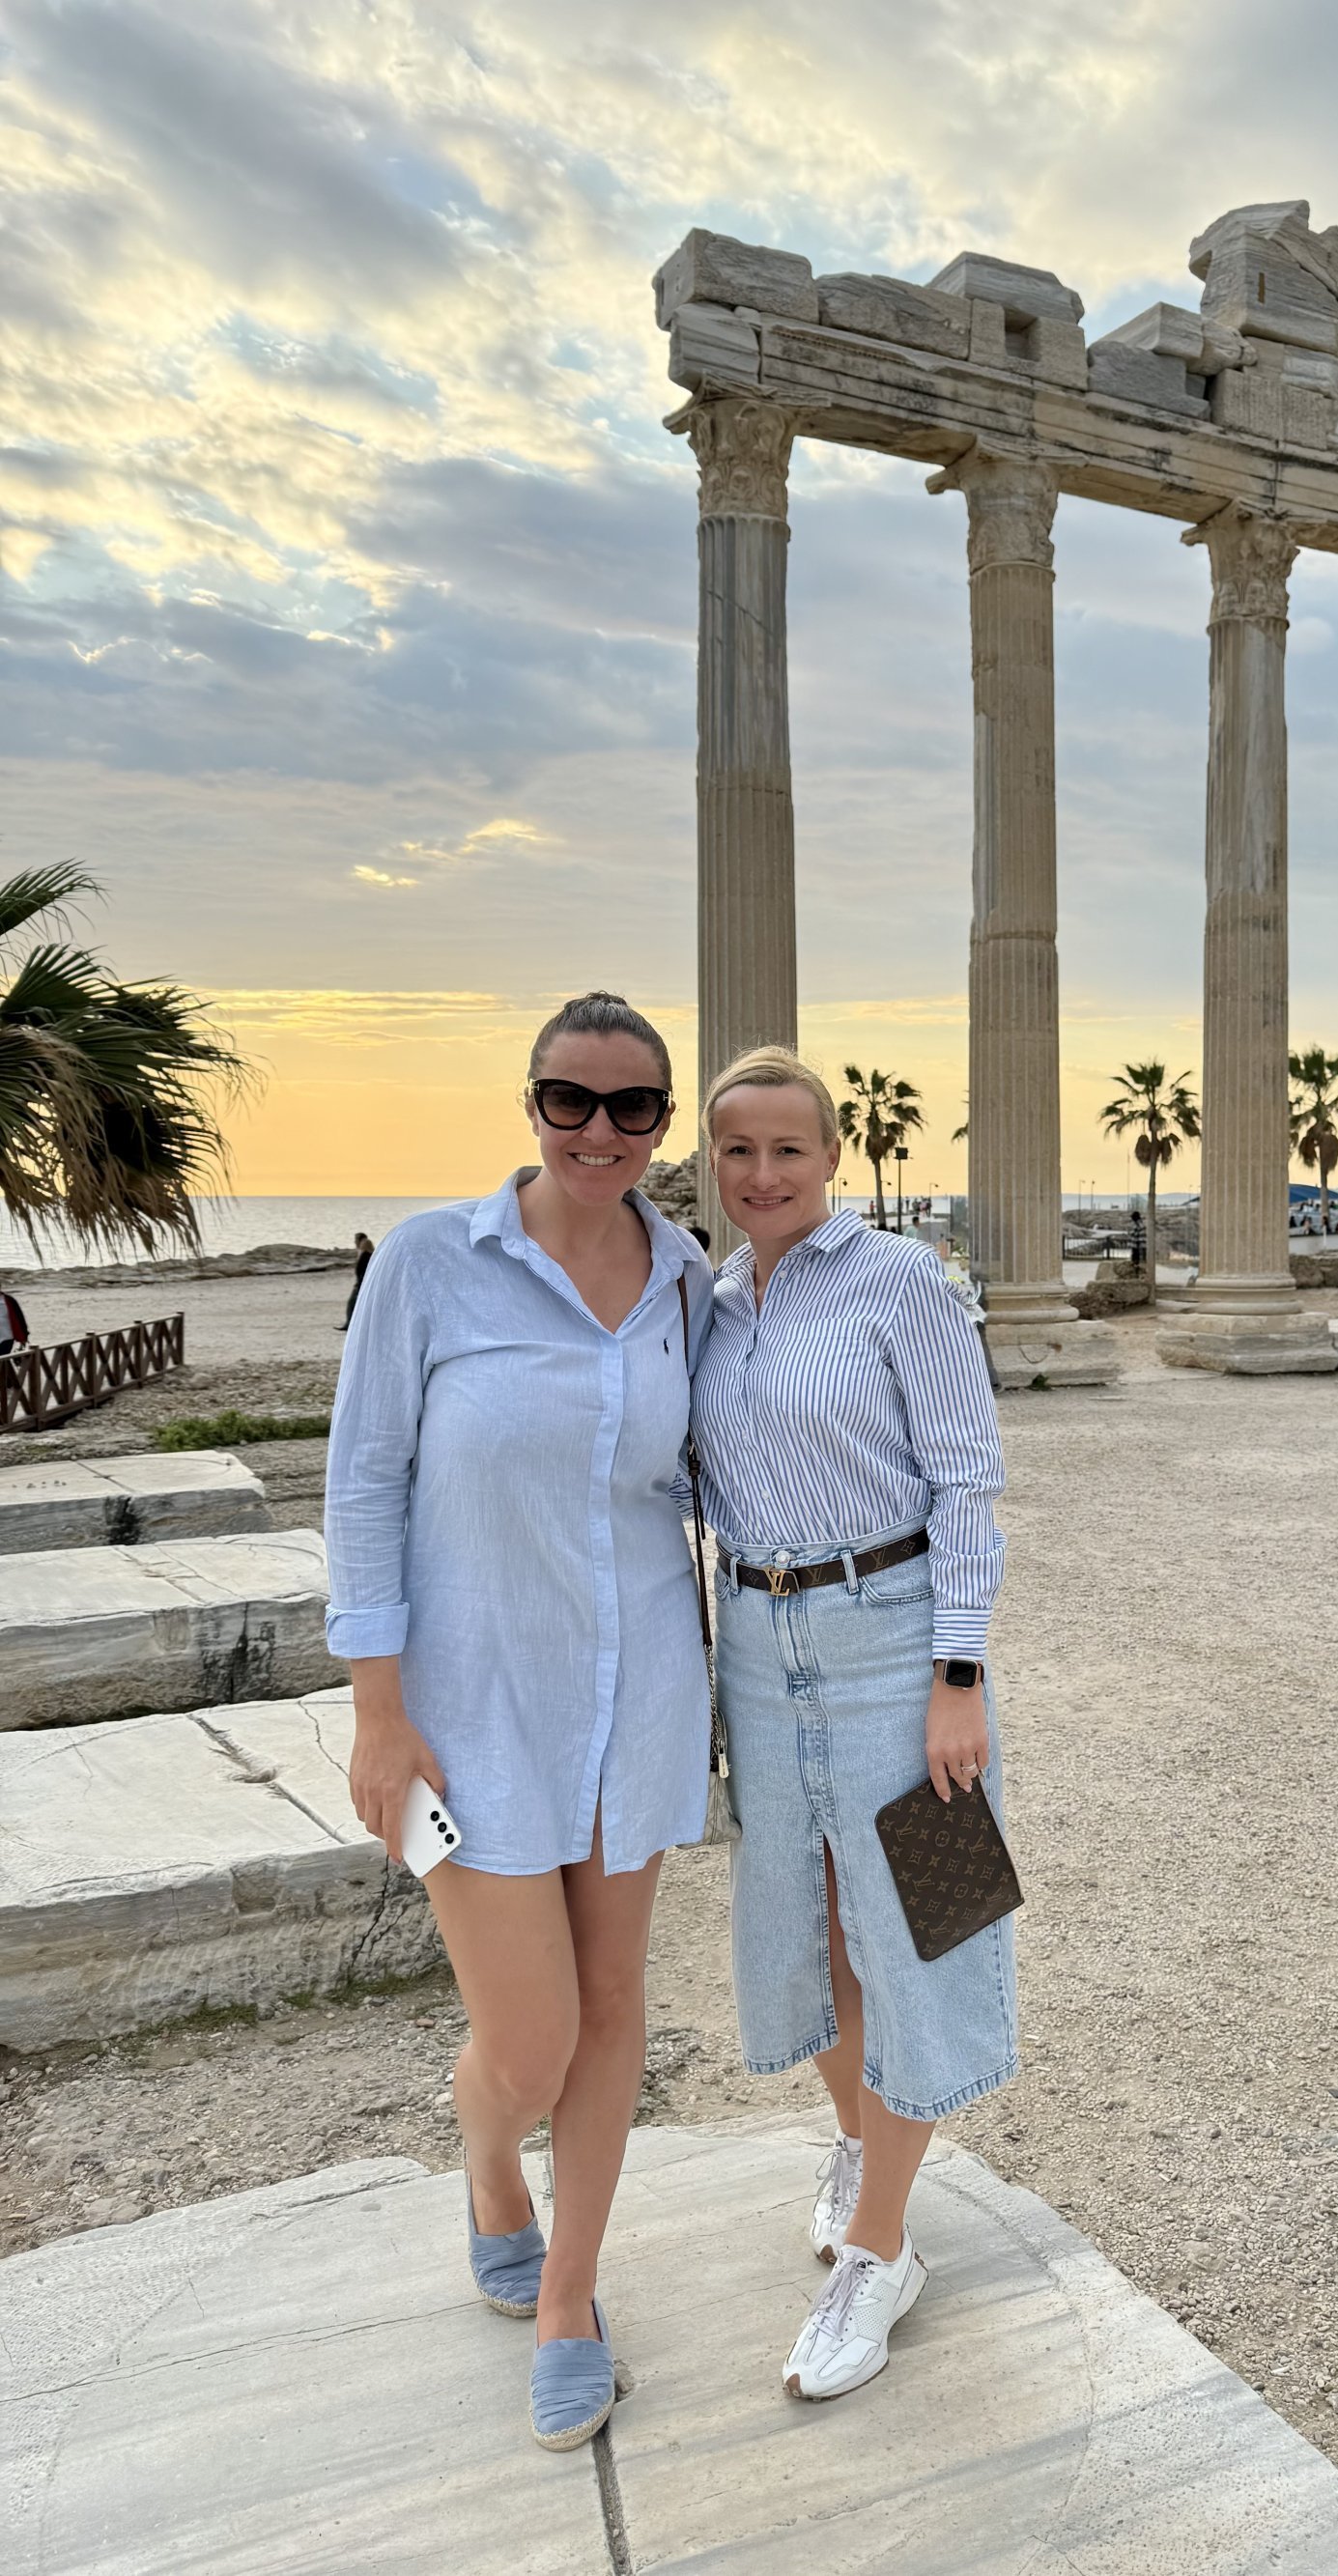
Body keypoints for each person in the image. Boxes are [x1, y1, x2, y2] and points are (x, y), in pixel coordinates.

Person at [325, 991, 711, 2451]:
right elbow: (363, 1480)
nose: (599, 1130)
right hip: (473, 1705)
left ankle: (567, 2294)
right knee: (530, 2039)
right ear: (532, 1103)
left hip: (640, 1692)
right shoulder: (433, 1262)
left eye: (632, 1106)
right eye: (570, 1100)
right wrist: (377, 1710)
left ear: (661, 1123)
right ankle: (490, 2160)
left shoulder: (687, 1280)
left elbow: (718, 1473)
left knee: (612, 2008)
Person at [693, 1045, 1014, 2402]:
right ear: (710, 1162)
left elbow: (967, 1479)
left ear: (833, 1156)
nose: (763, 1174)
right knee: (806, 1919)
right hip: (758, 1640)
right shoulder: (710, 1303)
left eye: (789, 1148)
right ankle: (859, 2143)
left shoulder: (902, 1281)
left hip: (891, 1633)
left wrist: (960, 1673)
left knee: (920, 1926)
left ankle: (880, 2248)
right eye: (738, 1150)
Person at [338, 1231, 375, 1331]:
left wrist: (360, 1283)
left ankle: (349, 1324)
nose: (355, 1243)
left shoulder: (366, 1255)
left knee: (352, 1303)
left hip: (361, 1283)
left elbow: (362, 1270)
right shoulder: (367, 1253)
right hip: (362, 1283)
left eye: (355, 1240)